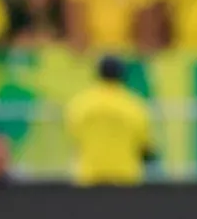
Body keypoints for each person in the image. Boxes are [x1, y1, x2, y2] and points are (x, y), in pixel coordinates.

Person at [65, 56, 155, 187]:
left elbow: (74, 135)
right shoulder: (134, 105)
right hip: (124, 175)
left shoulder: (80, 103)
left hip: (89, 175)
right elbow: (144, 143)